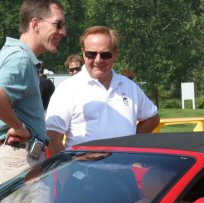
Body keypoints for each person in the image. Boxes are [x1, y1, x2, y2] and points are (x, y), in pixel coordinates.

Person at [0, 0, 67, 199]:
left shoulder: (11, 53)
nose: (63, 32)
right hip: (21, 159)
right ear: (36, 24)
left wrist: (6, 122)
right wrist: (17, 127)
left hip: (17, 157)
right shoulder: (20, 58)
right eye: (58, 24)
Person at [45, 25, 159, 153]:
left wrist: (132, 143)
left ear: (115, 54)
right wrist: (68, 169)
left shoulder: (129, 86)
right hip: (84, 171)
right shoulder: (67, 89)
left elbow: (152, 117)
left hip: (125, 169)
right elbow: (52, 137)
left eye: (105, 55)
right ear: (83, 53)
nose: (98, 60)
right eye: (91, 54)